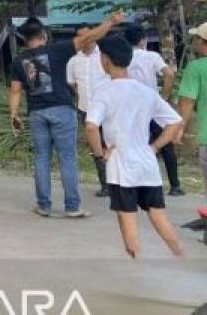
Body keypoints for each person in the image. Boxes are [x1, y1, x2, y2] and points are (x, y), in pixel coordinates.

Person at [9, 11, 124, 218]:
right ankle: (72, 206)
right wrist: (110, 22)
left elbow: (15, 90)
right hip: (62, 110)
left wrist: (14, 115)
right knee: (67, 158)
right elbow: (88, 38)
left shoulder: (19, 60)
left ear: (25, 39)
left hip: (36, 113)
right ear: (43, 34)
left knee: (42, 158)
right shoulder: (57, 49)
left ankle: (44, 205)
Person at [85, 35, 184, 258]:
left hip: (121, 165)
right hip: (147, 163)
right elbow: (175, 122)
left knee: (127, 218)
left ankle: (139, 264)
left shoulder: (104, 92)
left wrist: (100, 154)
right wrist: (155, 147)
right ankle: (182, 259)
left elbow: (91, 126)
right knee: (159, 216)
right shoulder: (146, 92)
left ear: (106, 60)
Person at [122, 22, 183, 196]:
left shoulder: (123, 58)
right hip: (153, 106)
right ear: (142, 40)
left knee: (135, 145)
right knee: (166, 144)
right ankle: (175, 185)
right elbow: (169, 74)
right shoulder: (152, 57)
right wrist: (163, 96)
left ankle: (137, 184)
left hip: (131, 108)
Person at [65, 25, 110, 197]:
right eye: (81, 37)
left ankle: (120, 183)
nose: (86, 39)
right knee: (96, 147)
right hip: (87, 110)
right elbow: (73, 85)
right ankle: (105, 184)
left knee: (113, 145)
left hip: (108, 110)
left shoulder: (105, 57)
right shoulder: (73, 61)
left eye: (89, 35)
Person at [176, 22, 207, 203]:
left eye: (196, 39)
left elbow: (186, 102)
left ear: (204, 42)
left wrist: (179, 129)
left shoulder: (196, 68)